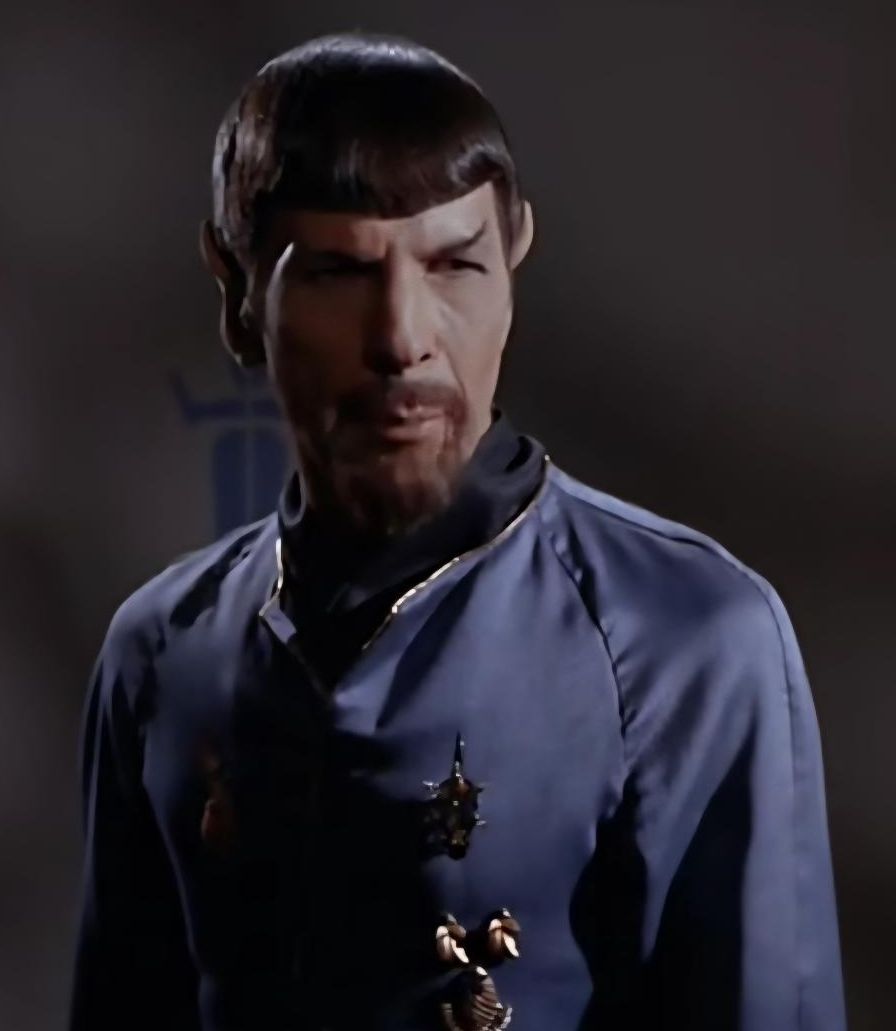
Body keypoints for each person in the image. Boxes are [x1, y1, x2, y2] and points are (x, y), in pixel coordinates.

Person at [69, 31, 846, 1031]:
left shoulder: (685, 637)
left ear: (513, 263)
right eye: (340, 272)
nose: (403, 337)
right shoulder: (160, 650)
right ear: (237, 288)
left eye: (455, 265)